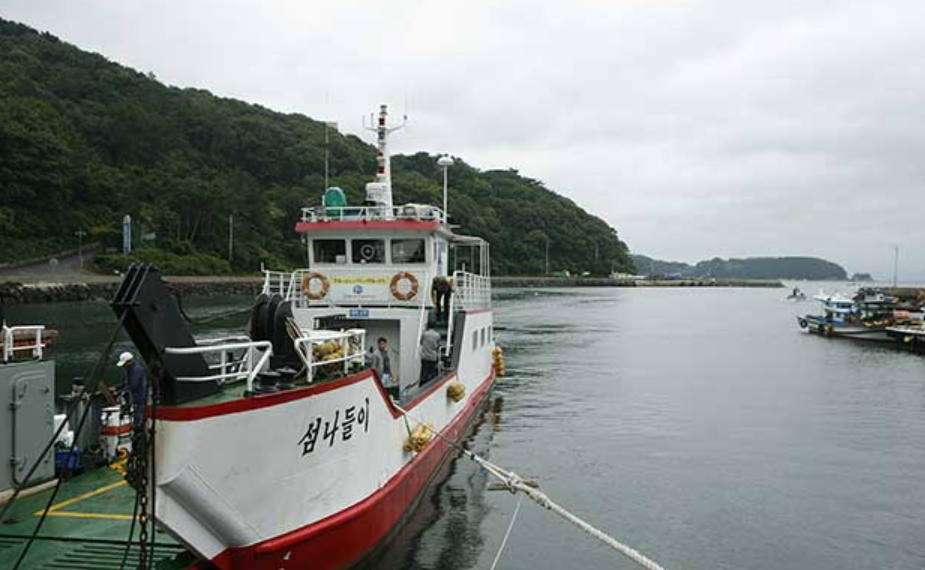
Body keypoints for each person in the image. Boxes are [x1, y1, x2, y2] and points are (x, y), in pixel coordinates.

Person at [116, 351, 148, 427]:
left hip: (139, 399)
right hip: (134, 398)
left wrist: (119, 391)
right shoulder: (129, 369)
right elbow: (126, 383)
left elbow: (133, 386)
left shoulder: (137, 370)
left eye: (125, 363)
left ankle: (138, 429)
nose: (124, 366)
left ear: (130, 361)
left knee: (138, 417)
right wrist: (117, 387)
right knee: (135, 415)